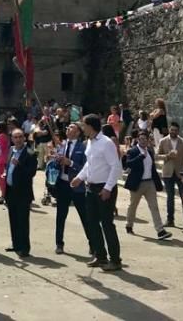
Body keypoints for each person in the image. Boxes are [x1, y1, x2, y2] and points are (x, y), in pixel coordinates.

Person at [71, 114, 123, 272]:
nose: (82, 128)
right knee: (92, 223)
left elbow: (116, 167)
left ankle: (115, 260)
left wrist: (108, 188)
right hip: (91, 188)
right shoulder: (90, 143)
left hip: (104, 188)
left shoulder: (106, 143)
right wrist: (79, 178)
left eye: (84, 125)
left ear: (91, 126)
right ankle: (100, 255)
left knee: (107, 224)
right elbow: (90, 164)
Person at [123, 130, 172, 240]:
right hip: (137, 183)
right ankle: (129, 224)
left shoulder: (150, 151)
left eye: (145, 139)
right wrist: (140, 157)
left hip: (149, 183)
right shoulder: (133, 151)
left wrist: (158, 183)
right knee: (133, 205)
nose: (143, 141)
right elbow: (128, 164)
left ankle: (160, 230)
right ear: (138, 140)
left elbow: (153, 169)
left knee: (154, 206)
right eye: (141, 139)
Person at [53, 123, 88, 255]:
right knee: (60, 216)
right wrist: (56, 160)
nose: (68, 128)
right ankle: (59, 243)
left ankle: (93, 244)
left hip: (77, 185)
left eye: (72, 127)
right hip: (62, 184)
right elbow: (57, 165)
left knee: (84, 216)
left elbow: (86, 167)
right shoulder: (62, 145)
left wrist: (71, 163)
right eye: (67, 127)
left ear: (78, 132)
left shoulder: (83, 147)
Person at [4, 128, 37, 257]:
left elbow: (31, 173)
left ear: (24, 138)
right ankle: (16, 244)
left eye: (20, 137)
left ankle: (24, 247)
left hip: (23, 193)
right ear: (12, 139)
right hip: (11, 190)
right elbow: (8, 166)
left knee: (22, 220)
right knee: (13, 219)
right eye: (15, 137)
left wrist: (20, 165)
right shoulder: (11, 150)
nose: (17, 139)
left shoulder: (30, 153)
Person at [157, 122, 183, 228]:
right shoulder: (163, 141)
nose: (173, 132)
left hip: (181, 173)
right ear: (169, 130)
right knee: (170, 197)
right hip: (168, 172)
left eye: (175, 130)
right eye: (172, 130)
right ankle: (170, 220)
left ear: (178, 131)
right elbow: (157, 155)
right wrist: (167, 156)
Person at [0, 122, 9, 204]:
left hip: (1, 160)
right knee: (2, 179)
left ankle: (4, 195)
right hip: (2, 159)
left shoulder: (2, 136)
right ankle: (3, 194)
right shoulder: (3, 136)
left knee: (2, 179)